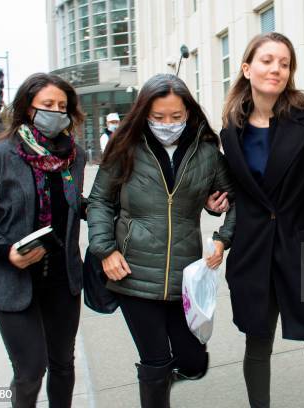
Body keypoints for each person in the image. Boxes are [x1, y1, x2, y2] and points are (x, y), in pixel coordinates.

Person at [87, 73, 235, 407]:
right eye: (157, 117)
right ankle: (157, 378)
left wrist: (222, 234)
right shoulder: (125, 147)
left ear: (189, 113)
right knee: (154, 362)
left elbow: (232, 199)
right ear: (143, 113)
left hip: (184, 277)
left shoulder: (206, 152)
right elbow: (99, 201)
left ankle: (168, 371)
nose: (167, 124)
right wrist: (105, 249)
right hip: (131, 273)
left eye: (176, 116)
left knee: (194, 362)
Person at [220, 32, 304, 408]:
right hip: (254, 252)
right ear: (247, 68)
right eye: (267, 60)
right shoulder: (231, 130)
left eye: (284, 63)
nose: (276, 68)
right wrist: (219, 199)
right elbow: (237, 187)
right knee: (257, 348)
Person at [0, 73, 87, 407]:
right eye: (48, 105)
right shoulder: (2, 156)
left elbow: (75, 202)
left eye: (63, 106)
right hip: (14, 281)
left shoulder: (75, 155)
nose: (56, 112)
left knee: (63, 365)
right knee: (31, 369)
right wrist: (7, 251)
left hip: (63, 280)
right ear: (27, 108)